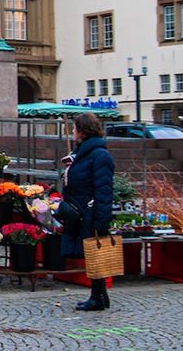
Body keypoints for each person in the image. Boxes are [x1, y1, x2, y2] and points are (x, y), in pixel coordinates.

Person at [61, 112, 115, 311]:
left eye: (75, 128)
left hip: (91, 210)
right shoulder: (82, 153)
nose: (73, 132)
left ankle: (97, 296)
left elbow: (104, 189)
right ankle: (100, 295)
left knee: (95, 252)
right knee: (93, 252)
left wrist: (101, 219)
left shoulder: (99, 155)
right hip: (82, 209)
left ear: (83, 131)